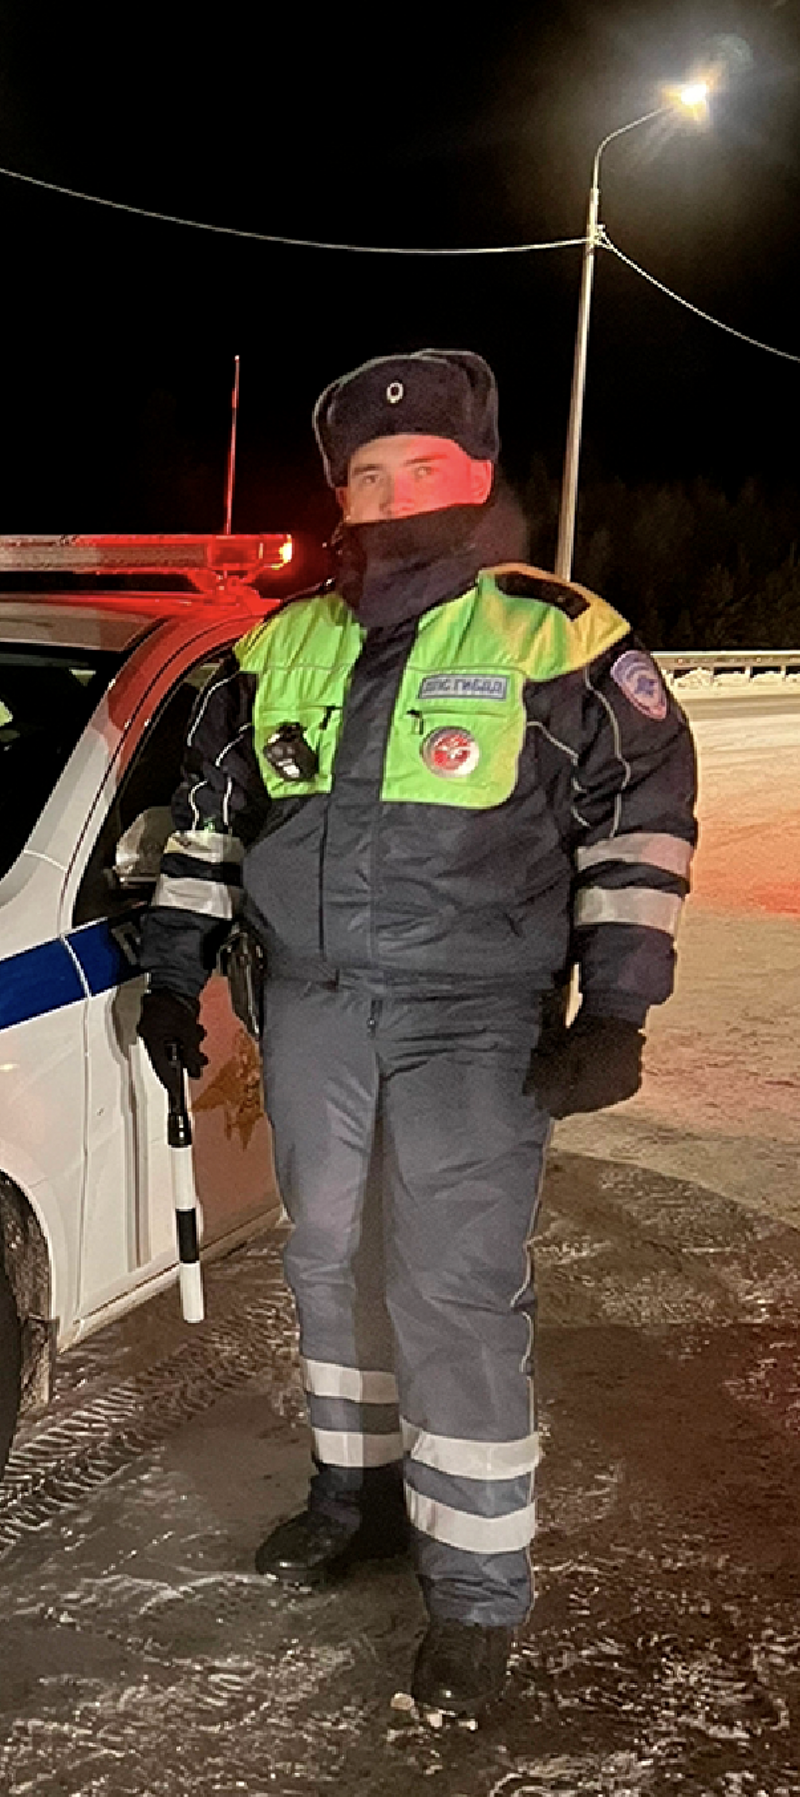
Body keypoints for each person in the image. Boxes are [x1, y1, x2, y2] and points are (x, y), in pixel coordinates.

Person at [132, 349, 698, 1717]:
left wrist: (616, 1004)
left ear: (480, 477)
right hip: (314, 1000)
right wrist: (173, 967)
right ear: (339, 489)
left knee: (451, 1289)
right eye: (369, 477)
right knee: (327, 1259)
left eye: (424, 471)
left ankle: (478, 1593)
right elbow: (210, 825)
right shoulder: (279, 646)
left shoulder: (558, 638)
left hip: (477, 1014)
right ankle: (359, 1494)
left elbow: (639, 824)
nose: (394, 495)